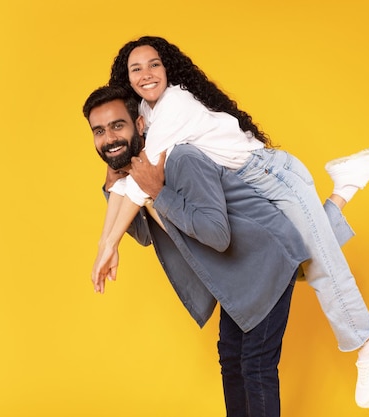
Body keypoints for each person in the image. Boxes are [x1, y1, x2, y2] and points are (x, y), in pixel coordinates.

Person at [94, 36, 369, 408]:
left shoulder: (175, 104)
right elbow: (130, 184)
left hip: (273, 174)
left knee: (319, 262)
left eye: (154, 64)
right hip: (245, 185)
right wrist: (107, 231)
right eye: (135, 68)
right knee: (293, 253)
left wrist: (107, 244)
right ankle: (346, 186)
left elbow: (142, 186)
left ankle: (367, 348)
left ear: (167, 67)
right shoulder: (146, 112)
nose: (146, 74)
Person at [83, 85, 310, 416]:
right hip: (234, 275)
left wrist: (158, 192)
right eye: (99, 131)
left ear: (140, 125)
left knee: (256, 366)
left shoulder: (182, 159)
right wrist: (112, 182)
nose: (109, 138)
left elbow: (217, 235)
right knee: (231, 360)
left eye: (118, 125)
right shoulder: (136, 179)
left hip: (265, 260)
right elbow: (147, 235)